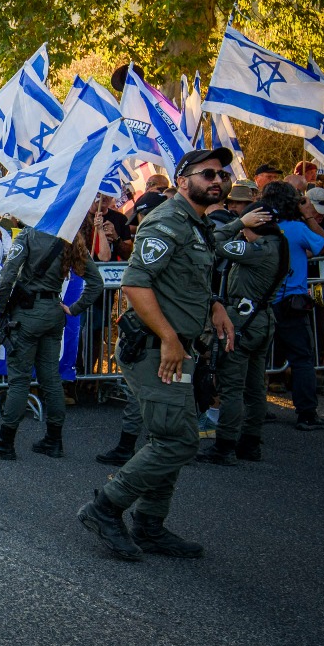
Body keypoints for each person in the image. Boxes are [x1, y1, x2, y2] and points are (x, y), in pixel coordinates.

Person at [77, 148, 237, 562]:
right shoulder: (167, 221)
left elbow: (190, 279)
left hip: (178, 349)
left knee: (171, 437)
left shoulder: (196, 224)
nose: (217, 180)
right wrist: (168, 337)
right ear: (183, 181)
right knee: (179, 440)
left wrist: (215, 305)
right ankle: (105, 507)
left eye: (222, 174)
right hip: (154, 350)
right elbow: (134, 283)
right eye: (207, 174)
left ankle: (149, 525)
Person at [0, 223, 103, 461]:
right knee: (51, 378)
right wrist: (74, 309)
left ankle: (5, 441)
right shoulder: (70, 235)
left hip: (27, 313)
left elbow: (8, 275)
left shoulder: (29, 234)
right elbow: (97, 283)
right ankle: (54, 440)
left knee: (20, 379)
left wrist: (2, 307)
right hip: (54, 310)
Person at [261, 181, 324, 430]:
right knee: (302, 358)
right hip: (291, 301)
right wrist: (309, 217)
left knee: (257, 357)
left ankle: (256, 408)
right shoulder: (296, 229)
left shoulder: (258, 226)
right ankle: (307, 413)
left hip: (262, 301)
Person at [196, 203, 281, 464]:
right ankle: (250, 443)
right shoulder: (279, 244)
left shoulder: (257, 248)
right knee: (256, 387)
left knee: (231, 386)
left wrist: (237, 224)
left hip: (244, 322)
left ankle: (225, 446)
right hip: (263, 319)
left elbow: (211, 244)